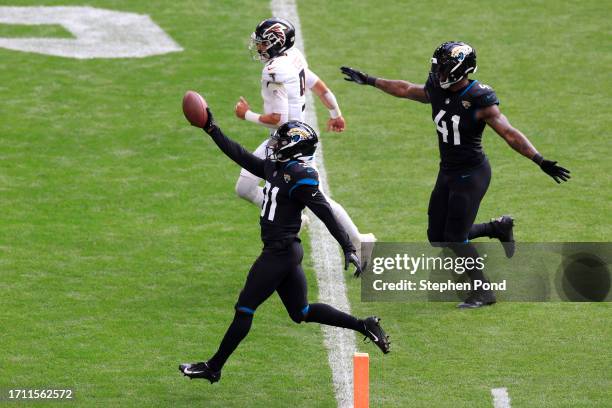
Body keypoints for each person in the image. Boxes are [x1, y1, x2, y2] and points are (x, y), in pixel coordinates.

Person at [341, 41, 570, 308]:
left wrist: (539, 160)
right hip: (448, 171)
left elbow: (509, 133)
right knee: (437, 236)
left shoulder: (479, 98)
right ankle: (498, 227)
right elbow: (405, 89)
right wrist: (370, 80)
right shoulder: (437, 88)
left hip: (471, 174)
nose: (438, 73)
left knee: (455, 238)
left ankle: (483, 292)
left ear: (461, 69)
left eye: (444, 67)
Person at [179, 110, 390, 383]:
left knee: (244, 309)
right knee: (300, 312)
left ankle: (213, 366)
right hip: (285, 251)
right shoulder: (276, 167)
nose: (274, 145)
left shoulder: (301, 177)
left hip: (279, 252)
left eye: (280, 142)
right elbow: (241, 155)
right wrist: (212, 129)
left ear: (294, 148)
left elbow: (325, 212)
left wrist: (347, 246)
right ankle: (364, 324)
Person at [233, 17, 376, 266]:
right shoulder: (293, 57)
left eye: (264, 43)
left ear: (277, 43)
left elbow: (278, 119)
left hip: (291, 145)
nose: (259, 48)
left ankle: (360, 240)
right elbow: (319, 87)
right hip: (288, 139)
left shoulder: (274, 70)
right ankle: (301, 220)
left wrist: (246, 114)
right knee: (244, 187)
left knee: (319, 198)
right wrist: (335, 113)